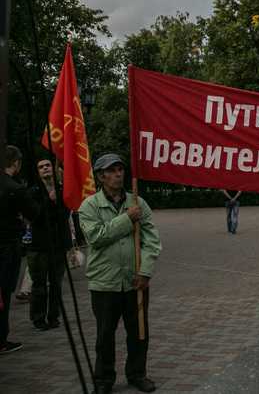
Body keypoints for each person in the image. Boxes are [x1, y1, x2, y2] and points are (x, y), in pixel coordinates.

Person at [79, 154, 161, 393]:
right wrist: (126, 219)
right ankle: (104, 379)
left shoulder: (138, 202)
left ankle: (137, 374)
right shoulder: (90, 206)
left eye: (120, 169)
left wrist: (145, 272)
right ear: (101, 176)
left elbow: (151, 240)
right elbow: (95, 237)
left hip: (135, 281)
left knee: (139, 332)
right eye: (112, 170)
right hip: (104, 283)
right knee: (105, 335)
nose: (118, 174)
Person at [26, 158, 72, 331]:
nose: (45, 168)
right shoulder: (33, 192)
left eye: (47, 165)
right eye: (41, 167)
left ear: (53, 169)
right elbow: (34, 215)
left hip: (58, 244)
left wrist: (56, 201)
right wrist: (49, 201)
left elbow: (65, 214)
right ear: (38, 172)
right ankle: (38, 318)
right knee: (39, 285)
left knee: (56, 283)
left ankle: (54, 316)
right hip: (39, 246)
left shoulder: (62, 190)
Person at [0, 145, 37, 354]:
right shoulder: (15, 188)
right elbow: (34, 213)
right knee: (4, 293)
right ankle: (1, 339)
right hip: (8, 249)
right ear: (16, 163)